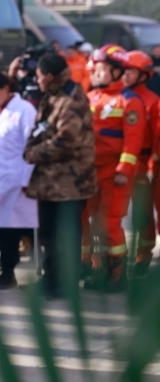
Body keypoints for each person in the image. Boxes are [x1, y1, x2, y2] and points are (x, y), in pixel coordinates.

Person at [23, 53, 96, 299]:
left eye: (40, 75)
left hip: (70, 183)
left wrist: (35, 153)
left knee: (65, 236)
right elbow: (42, 128)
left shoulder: (71, 100)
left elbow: (67, 140)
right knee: (48, 234)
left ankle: (66, 284)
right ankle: (50, 278)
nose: (37, 80)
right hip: (50, 183)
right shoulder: (53, 96)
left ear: (51, 76)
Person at [83, 44, 145, 292]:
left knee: (109, 223)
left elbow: (134, 140)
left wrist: (123, 170)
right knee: (92, 222)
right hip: (90, 173)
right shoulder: (91, 97)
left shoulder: (129, 102)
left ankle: (118, 277)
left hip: (114, 174)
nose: (97, 74)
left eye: (102, 69)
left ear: (117, 71)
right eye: (95, 69)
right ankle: (98, 270)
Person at [0, 72, 37, 290]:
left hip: (18, 179)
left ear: (6, 88)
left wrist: (27, 178)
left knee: (15, 228)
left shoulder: (25, 110)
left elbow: (31, 145)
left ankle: (9, 270)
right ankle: (6, 270)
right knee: (1, 228)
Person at [122, 51, 160, 277]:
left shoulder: (153, 102)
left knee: (147, 212)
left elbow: (157, 139)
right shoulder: (120, 98)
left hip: (147, 163)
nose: (126, 74)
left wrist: (152, 168)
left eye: (131, 70)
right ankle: (136, 256)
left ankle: (143, 255)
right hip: (126, 163)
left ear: (143, 74)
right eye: (124, 70)